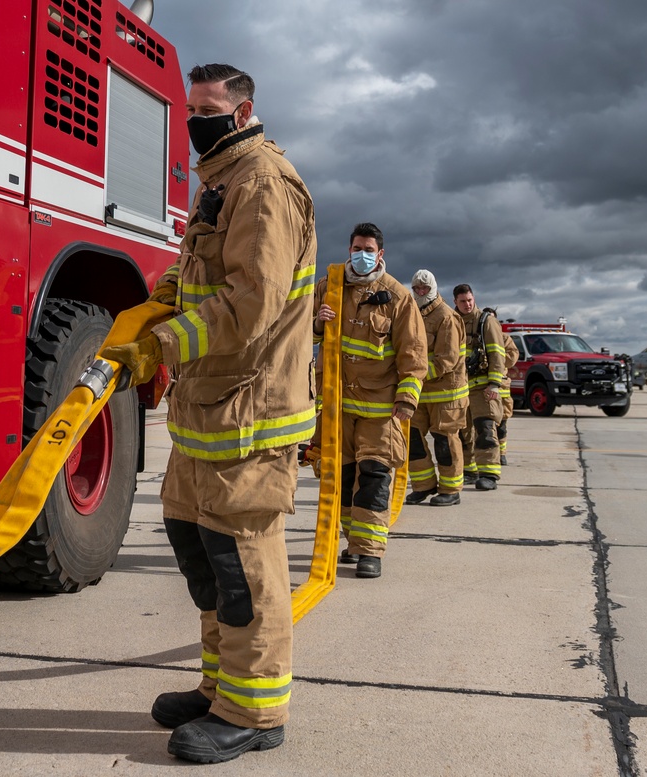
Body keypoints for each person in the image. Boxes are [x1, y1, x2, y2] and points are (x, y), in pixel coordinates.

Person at [102, 63, 317, 764]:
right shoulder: (220, 181)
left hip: (251, 415)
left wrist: (163, 343)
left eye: (207, 108)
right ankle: (220, 685)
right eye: (189, 108)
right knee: (198, 550)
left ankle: (254, 710)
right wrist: (151, 306)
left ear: (244, 108)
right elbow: (196, 274)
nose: (195, 120)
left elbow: (253, 300)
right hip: (209, 410)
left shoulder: (262, 182)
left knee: (242, 562)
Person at [313, 223, 427, 578]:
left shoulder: (398, 297)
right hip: (337, 407)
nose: (362, 254)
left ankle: (370, 552)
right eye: (357, 248)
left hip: (380, 409)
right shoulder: (329, 287)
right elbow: (296, 327)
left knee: (375, 477)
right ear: (350, 250)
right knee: (342, 479)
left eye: (369, 249)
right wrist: (317, 323)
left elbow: (414, 352)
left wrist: (407, 398)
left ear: (380, 255)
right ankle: (352, 541)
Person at [404, 270, 468, 507]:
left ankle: (451, 489)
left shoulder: (447, 317)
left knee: (444, 442)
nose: (421, 293)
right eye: (417, 289)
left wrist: (416, 375)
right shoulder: (413, 313)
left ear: (433, 288)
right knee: (412, 438)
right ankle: (424, 485)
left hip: (446, 395)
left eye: (425, 289)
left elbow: (447, 359)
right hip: (420, 394)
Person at [453, 284, 505, 490]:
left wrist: (494, 384)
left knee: (485, 430)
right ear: (455, 302)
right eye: (463, 301)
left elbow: (497, 353)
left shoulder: (486, 321)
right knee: (462, 432)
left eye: (470, 300)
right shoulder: (452, 321)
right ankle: (470, 470)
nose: (467, 304)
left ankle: (489, 474)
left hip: (483, 388)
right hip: (459, 388)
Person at [482, 309, 519, 467]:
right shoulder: (479, 338)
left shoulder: (505, 338)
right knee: (484, 427)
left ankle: (502, 454)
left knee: (501, 426)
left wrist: (495, 358)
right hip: (482, 388)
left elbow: (512, 357)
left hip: (502, 388)